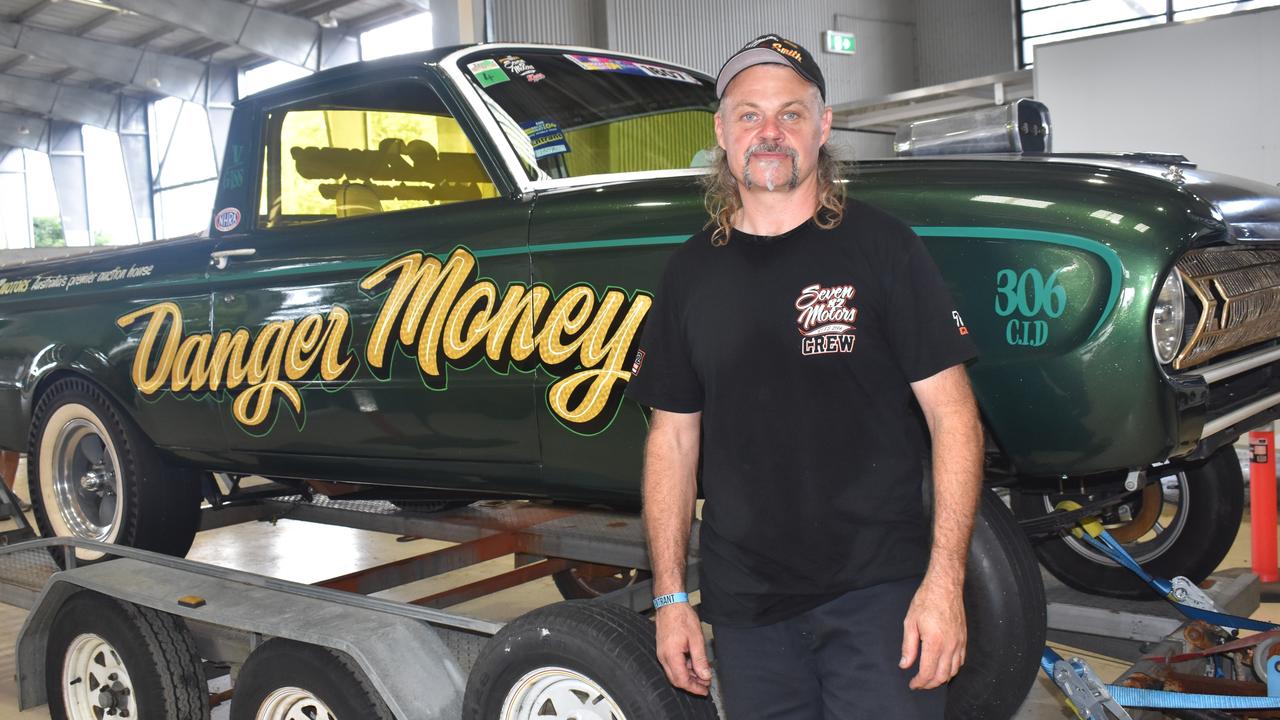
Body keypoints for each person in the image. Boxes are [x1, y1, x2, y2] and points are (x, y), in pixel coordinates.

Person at [624, 33, 984, 719]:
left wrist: (944, 583)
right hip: (748, 610)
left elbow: (955, 418)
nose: (770, 132)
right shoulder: (689, 274)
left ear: (822, 127)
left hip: (880, 597)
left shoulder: (883, 247)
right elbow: (671, 442)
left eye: (791, 113)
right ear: (722, 134)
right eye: (749, 114)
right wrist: (671, 598)